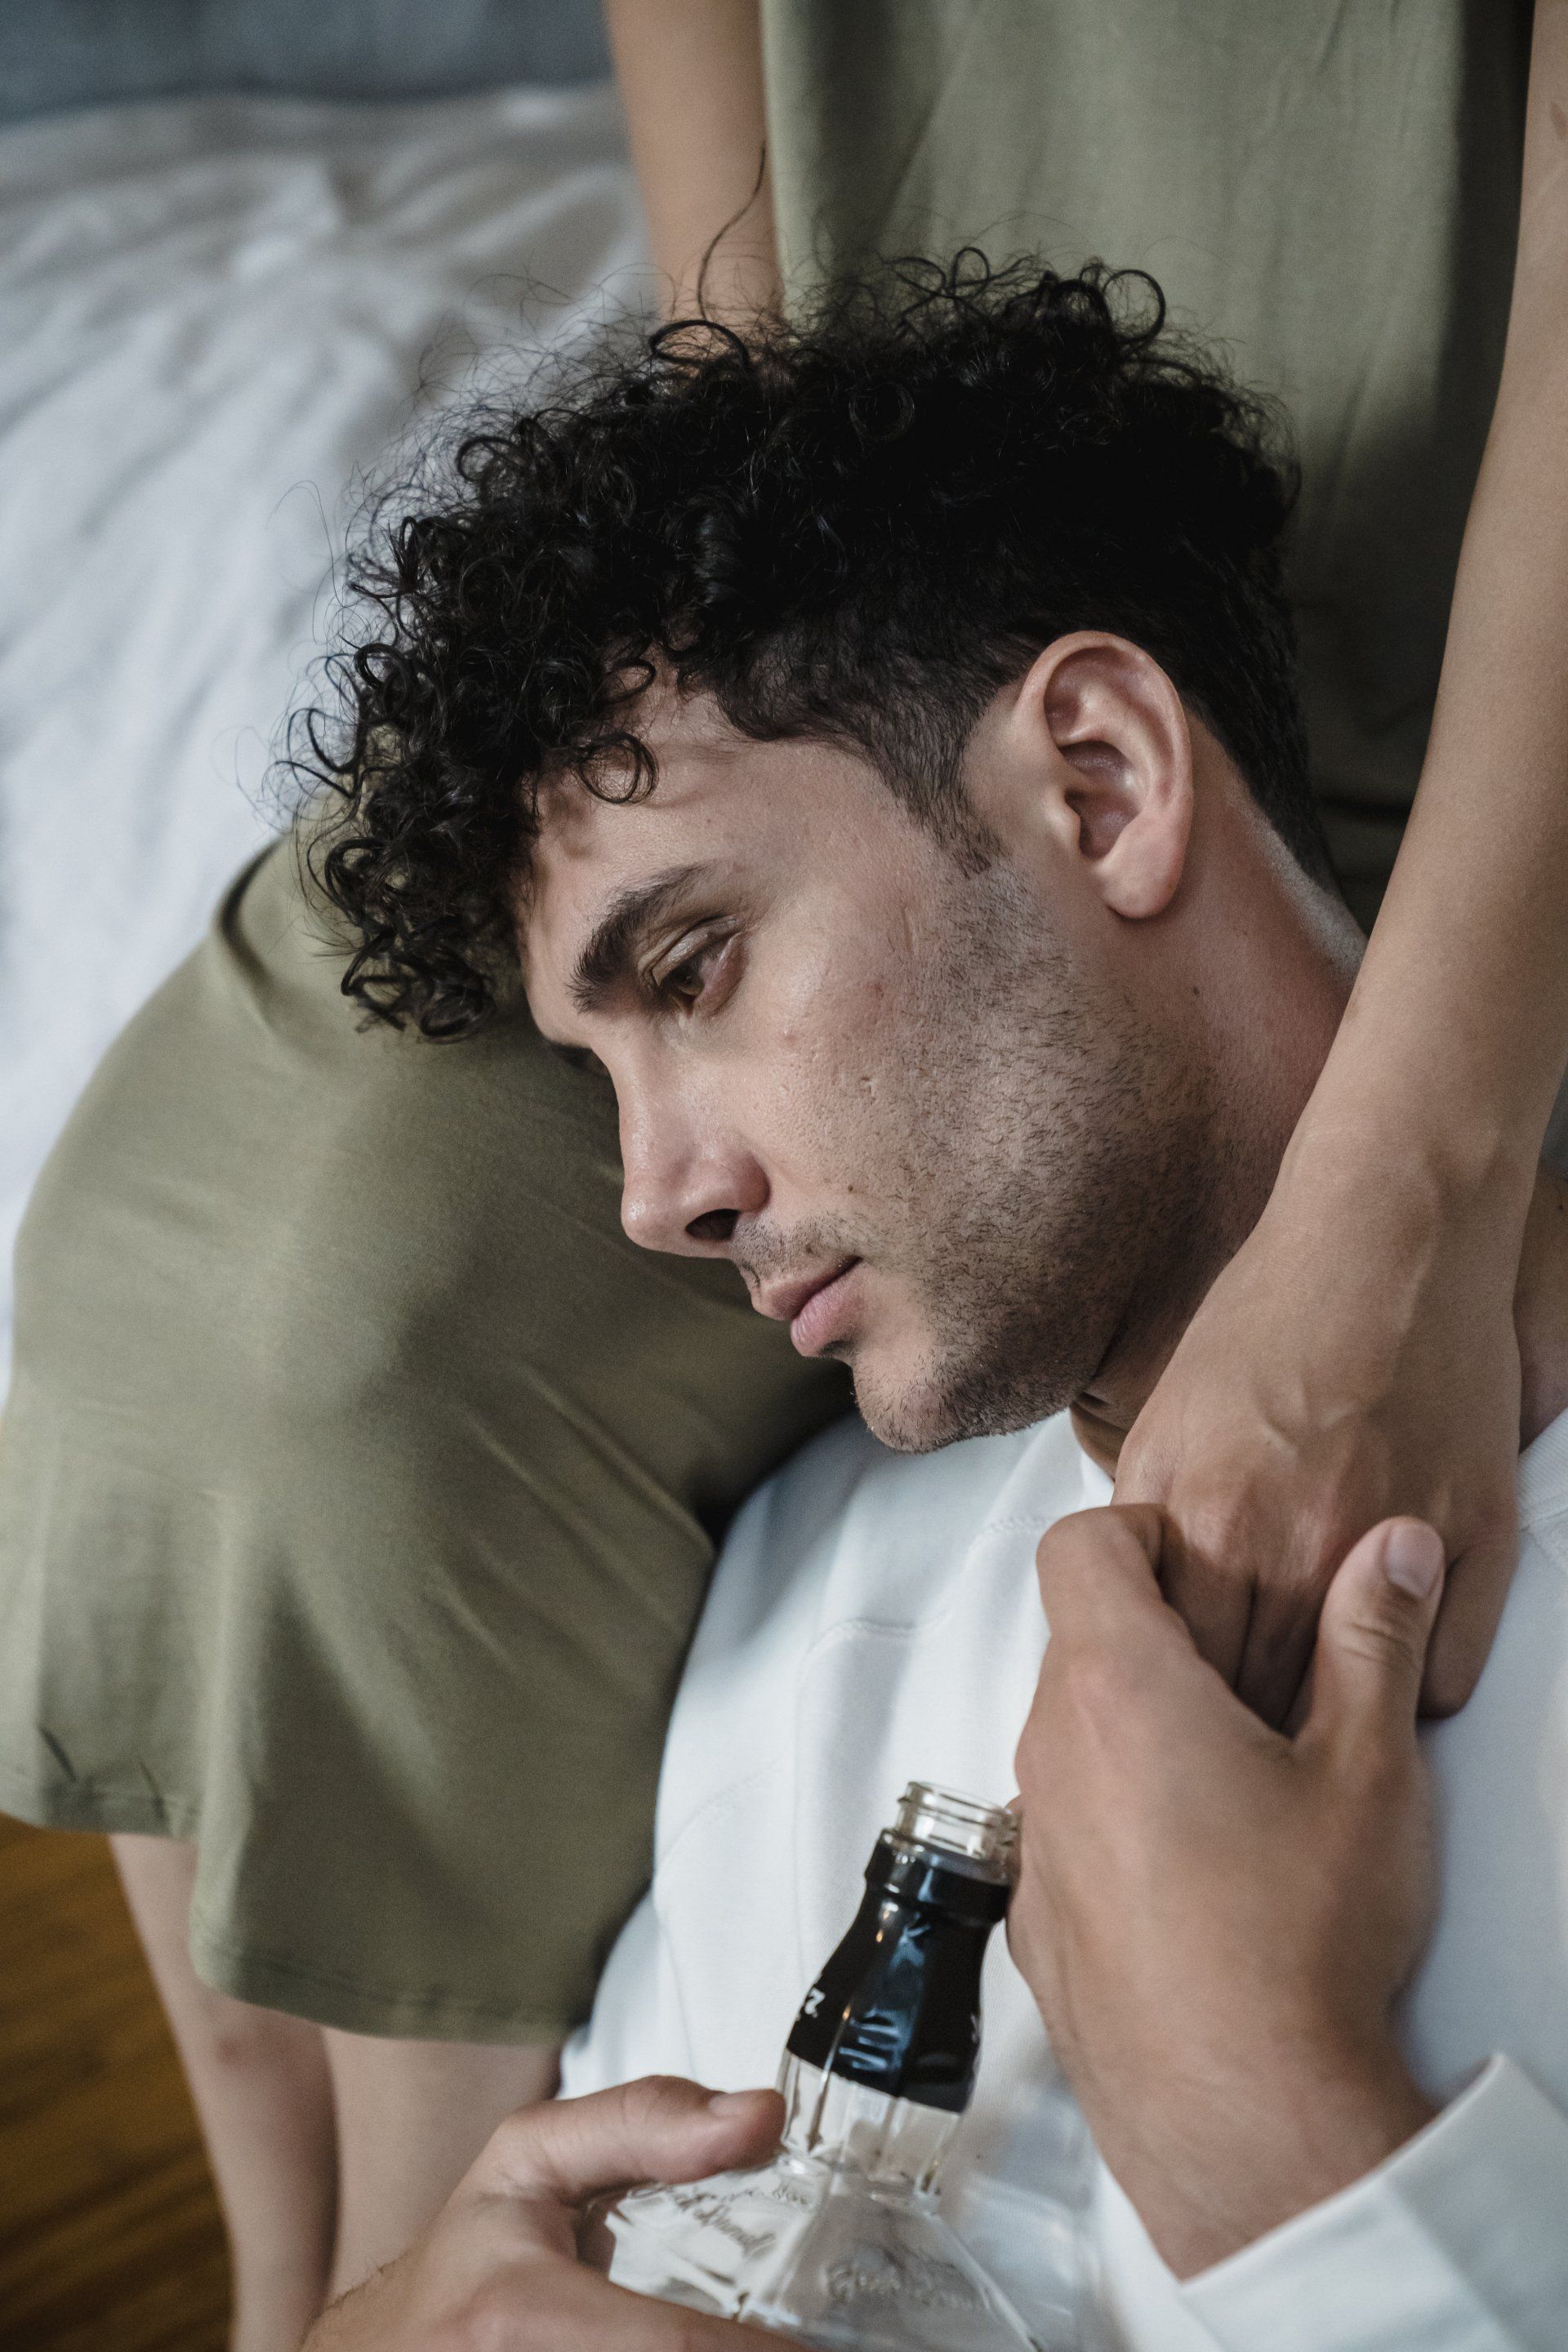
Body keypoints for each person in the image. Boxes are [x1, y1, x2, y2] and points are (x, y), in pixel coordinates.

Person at [2, 3, 1563, 2341]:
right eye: (601, 1067)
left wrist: (1272, 2136)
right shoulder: (766, 1677)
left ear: (1109, 785)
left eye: (702, 968)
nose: (649, 1202)